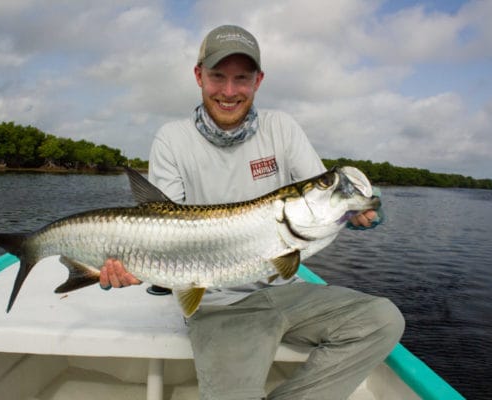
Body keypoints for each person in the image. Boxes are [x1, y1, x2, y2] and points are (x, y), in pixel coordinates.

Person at [100, 25, 404, 400]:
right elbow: (164, 223)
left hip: (287, 288)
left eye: (242, 79)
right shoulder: (172, 139)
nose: (229, 92)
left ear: (258, 81)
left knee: (383, 320)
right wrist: (133, 262)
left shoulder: (283, 128)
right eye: (217, 77)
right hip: (217, 304)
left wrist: (364, 208)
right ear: (198, 76)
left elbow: (319, 195)